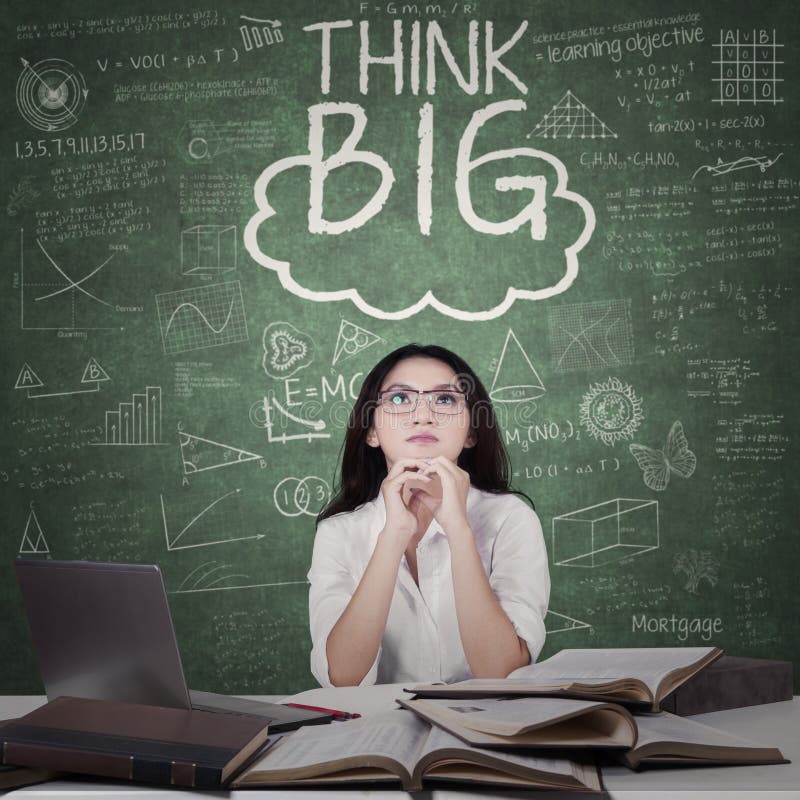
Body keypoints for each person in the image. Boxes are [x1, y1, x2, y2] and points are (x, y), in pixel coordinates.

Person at [308, 343, 550, 687]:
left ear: (471, 433)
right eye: (398, 399)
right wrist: (393, 536)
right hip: (379, 733)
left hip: (486, 730)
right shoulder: (339, 533)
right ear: (371, 431)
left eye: (445, 399)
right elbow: (343, 677)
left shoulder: (512, 519)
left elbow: (501, 673)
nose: (423, 415)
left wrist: (459, 529)